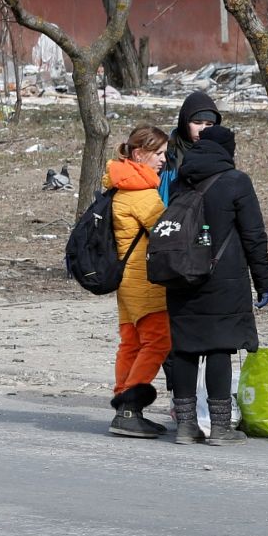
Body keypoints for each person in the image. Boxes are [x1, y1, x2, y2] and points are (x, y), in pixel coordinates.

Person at [165, 124, 268, 446]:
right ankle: (221, 428)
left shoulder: (180, 179)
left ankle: (186, 427)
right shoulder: (236, 181)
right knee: (219, 347)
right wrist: (264, 282)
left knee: (185, 348)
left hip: (181, 276)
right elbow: (254, 236)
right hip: (223, 278)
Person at [106, 125, 170, 439]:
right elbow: (166, 231)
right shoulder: (141, 193)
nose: (163, 159)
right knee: (158, 341)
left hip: (126, 280)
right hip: (144, 281)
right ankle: (130, 407)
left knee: (130, 342)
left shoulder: (119, 185)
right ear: (139, 154)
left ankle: (124, 407)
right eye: (158, 153)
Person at [160, 91, 221, 204]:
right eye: (197, 123)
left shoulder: (220, 155)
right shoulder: (166, 150)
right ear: (185, 123)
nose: (202, 129)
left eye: (209, 124)